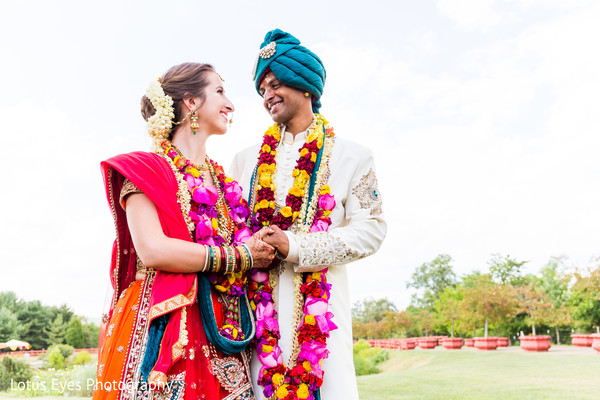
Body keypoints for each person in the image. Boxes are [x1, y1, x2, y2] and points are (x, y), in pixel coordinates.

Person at [94, 62, 275, 400]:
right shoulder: (145, 169)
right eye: (219, 91)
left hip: (221, 326)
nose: (231, 104)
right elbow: (153, 249)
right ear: (191, 102)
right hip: (161, 321)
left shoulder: (225, 184)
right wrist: (240, 255)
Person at [230, 30, 387, 400]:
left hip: (322, 316)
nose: (267, 94)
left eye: (276, 82)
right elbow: (230, 230)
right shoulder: (243, 161)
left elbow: (373, 230)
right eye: (262, 87)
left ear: (306, 87)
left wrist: (296, 245)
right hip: (256, 317)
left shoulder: (353, 156)